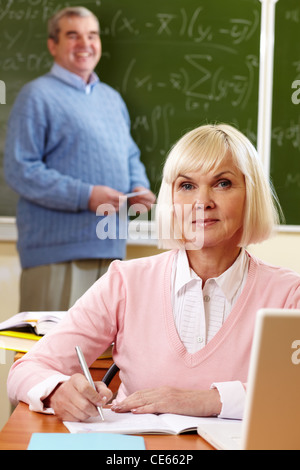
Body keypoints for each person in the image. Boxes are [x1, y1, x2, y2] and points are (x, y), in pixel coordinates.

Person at [7, 124, 300, 422]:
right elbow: (25, 370)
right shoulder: (125, 282)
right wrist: (57, 391)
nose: (203, 202)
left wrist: (208, 400)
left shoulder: (289, 294)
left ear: (251, 193)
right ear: (171, 199)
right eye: (187, 186)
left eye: (222, 183)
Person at [4, 6, 155, 311]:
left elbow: (129, 154)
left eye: (92, 35)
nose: (85, 44)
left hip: (111, 248)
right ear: (52, 45)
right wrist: (85, 196)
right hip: (57, 254)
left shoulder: (111, 98)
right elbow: (20, 169)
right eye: (72, 35)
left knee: (101, 358)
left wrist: (139, 186)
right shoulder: (37, 95)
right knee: (51, 354)